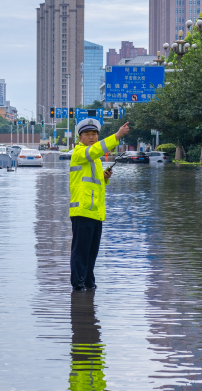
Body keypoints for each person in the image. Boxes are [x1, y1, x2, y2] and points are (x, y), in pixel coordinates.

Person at [69, 118, 130, 291]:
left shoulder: (94, 159)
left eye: (94, 134)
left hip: (95, 212)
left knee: (92, 252)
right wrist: (117, 136)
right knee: (81, 251)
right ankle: (78, 285)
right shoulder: (80, 153)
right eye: (87, 134)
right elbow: (96, 150)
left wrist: (104, 177)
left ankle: (88, 282)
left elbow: (91, 183)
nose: (92, 137)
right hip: (82, 211)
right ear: (79, 137)